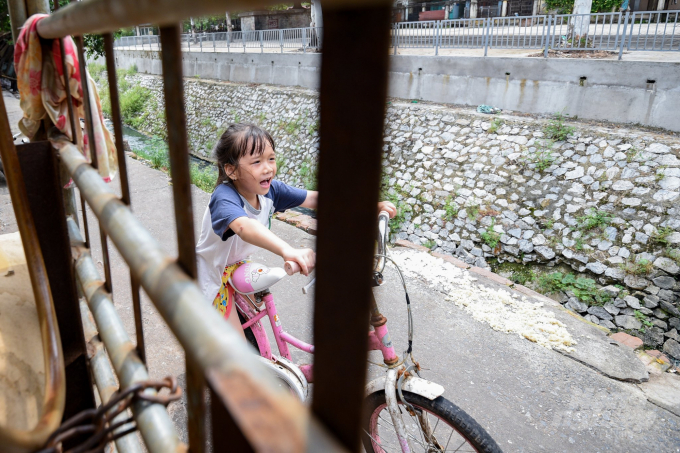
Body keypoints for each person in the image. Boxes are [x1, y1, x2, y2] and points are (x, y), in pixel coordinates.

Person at [196, 123, 397, 338]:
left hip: (238, 265)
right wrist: (288, 250)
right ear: (231, 170)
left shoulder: (270, 191)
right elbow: (245, 226)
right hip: (213, 275)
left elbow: (315, 198)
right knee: (234, 353)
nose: (268, 168)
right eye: (256, 162)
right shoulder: (224, 197)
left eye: (271, 158)